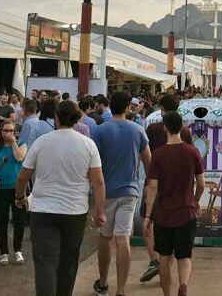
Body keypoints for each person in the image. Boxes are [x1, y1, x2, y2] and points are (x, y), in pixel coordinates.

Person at [15, 100, 106, 296]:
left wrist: (20, 197)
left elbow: (23, 176)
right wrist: (100, 212)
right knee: (68, 262)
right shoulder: (88, 144)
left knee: (45, 263)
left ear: (56, 118)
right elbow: (98, 182)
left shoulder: (42, 142)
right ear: (76, 119)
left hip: (43, 211)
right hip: (75, 211)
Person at [90, 91, 151, 296]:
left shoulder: (99, 131)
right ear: (127, 108)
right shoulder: (137, 130)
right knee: (123, 238)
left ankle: (104, 282)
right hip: (130, 191)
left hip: (105, 192)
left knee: (105, 237)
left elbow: (92, 164)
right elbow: (148, 162)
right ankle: (122, 289)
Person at [142, 111, 204, 296]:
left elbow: (152, 187)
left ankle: (167, 293)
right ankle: (183, 285)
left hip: (163, 216)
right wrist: (195, 200)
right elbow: (201, 184)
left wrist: (147, 217)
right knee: (184, 256)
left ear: (165, 128)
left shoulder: (159, 155)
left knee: (164, 258)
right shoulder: (192, 152)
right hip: (186, 213)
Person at [139, 94, 193, 284]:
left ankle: (155, 260)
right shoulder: (185, 131)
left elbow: (145, 153)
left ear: (161, 109)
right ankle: (168, 270)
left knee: (147, 219)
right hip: (178, 187)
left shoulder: (153, 128)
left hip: (155, 182)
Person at [0, 119, 27, 266]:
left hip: (18, 188)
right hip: (1, 188)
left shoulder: (21, 144)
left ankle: (18, 250)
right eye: (5, 131)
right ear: (1, 132)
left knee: (19, 220)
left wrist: (13, 143)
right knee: (2, 220)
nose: (8, 133)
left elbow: (19, 157)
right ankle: (3, 252)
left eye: (11, 131)